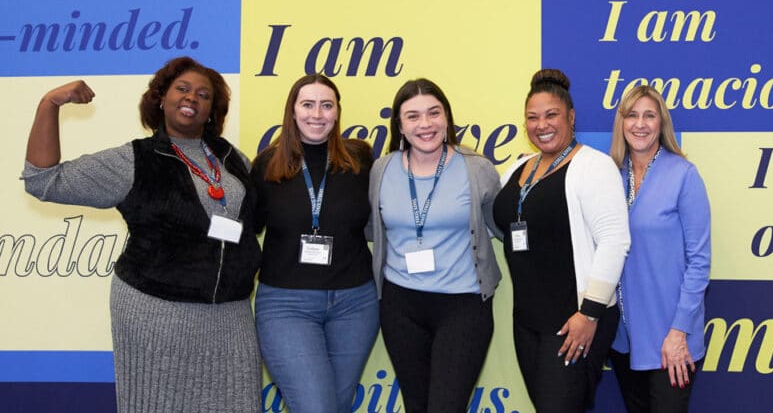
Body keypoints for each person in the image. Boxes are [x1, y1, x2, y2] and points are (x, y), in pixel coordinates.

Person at [22, 56, 262, 412]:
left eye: (203, 94)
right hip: (156, 310)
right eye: (182, 89)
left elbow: (251, 224)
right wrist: (49, 103)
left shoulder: (234, 159)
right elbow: (43, 180)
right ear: (161, 98)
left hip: (230, 312)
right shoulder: (134, 161)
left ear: (213, 110)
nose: (192, 98)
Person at [493, 68, 630, 412]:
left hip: (575, 321)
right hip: (527, 321)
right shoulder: (519, 168)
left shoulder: (594, 166)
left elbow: (614, 241)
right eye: (532, 117)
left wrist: (590, 314)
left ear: (570, 117)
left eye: (551, 115)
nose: (542, 125)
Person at [368, 78, 502, 413]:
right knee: (416, 405)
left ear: (447, 118)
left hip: (463, 306)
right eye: (412, 116)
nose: (425, 124)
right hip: (400, 306)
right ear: (399, 125)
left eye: (433, 113)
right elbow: (373, 230)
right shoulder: (381, 170)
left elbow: (500, 225)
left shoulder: (477, 168)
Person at [251, 74, 378, 413]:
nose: (317, 114)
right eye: (307, 105)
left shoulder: (360, 159)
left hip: (356, 304)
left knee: (337, 405)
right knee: (316, 407)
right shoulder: (267, 164)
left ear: (337, 112)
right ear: (292, 111)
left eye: (326, 105)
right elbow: (248, 226)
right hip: (285, 305)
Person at [607, 85, 712, 413]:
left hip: (670, 338)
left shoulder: (683, 175)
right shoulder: (609, 177)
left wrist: (679, 332)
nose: (640, 124)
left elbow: (699, 261)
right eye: (632, 115)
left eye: (649, 115)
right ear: (621, 123)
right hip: (624, 339)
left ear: (661, 123)